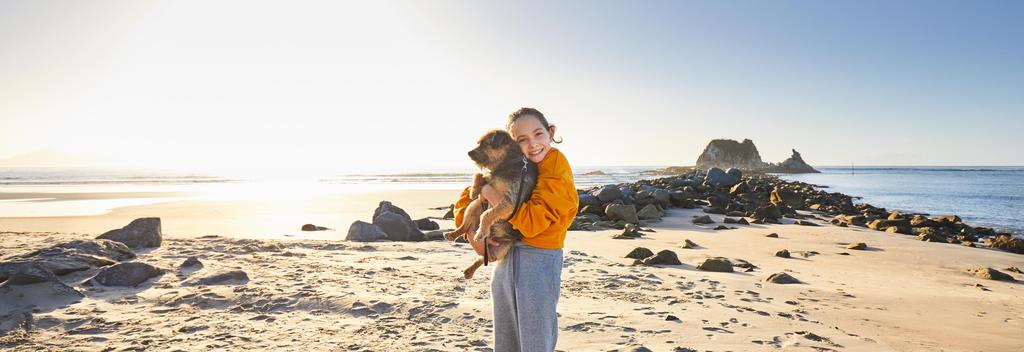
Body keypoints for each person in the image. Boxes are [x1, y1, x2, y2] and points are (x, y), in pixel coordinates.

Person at [452, 107, 578, 352]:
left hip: (538, 260)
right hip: (505, 259)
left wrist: (492, 196)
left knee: (535, 341)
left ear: (551, 133)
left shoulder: (556, 168)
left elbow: (533, 222)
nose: (532, 145)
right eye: (522, 140)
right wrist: (472, 236)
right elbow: (468, 202)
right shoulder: (511, 166)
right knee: (506, 340)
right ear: (510, 145)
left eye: (538, 134)